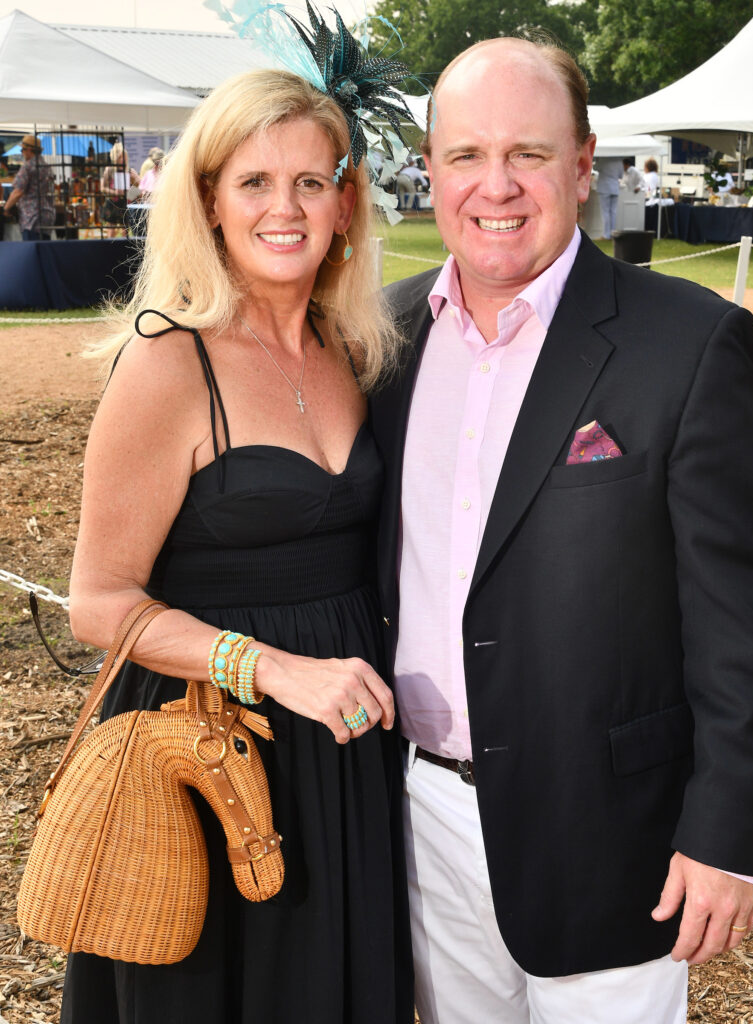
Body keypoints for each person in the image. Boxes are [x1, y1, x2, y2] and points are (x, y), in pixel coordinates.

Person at [370, 36, 753, 1024]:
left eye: (529, 153)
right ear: (429, 169)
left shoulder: (685, 343)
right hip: (417, 823)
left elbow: (748, 619)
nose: (496, 186)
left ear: (582, 160)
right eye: (467, 155)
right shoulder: (380, 342)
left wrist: (729, 833)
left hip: (613, 838)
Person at [61, 64, 412, 1024]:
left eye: (310, 181)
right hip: (212, 751)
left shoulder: (360, 346)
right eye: (254, 182)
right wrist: (275, 670)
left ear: (345, 204)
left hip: (344, 750)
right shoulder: (168, 359)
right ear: (210, 201)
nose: (284, 207)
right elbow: (97, 602)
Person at [3, 135, 55, 240]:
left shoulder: (27, 167)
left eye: (22, 149)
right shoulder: (46, 167)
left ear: (29, 150)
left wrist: (6, 208)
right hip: (47, 215)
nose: (21, 152)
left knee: (32, 252)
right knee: (43, 252)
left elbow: (18, 192)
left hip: (31, 218)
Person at [100, 141, 140, 232]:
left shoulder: (129, 171)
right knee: (111, 230)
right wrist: (114, 192)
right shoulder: (109, 170)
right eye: (119, 157)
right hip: (112, 202)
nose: (122, 159)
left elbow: (138, 189)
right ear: (115, 158)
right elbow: (102, 188)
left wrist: (130, 190)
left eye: (123, 157)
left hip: (125, 203)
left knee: (125, 230)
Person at [594, 155, 622, 238]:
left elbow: (595, 167)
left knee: (605, 212)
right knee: (613, 212)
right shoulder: (619, 161)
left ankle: (606, 235)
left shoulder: (603, 159)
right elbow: (621, 175)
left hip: (604, 188)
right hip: (615, 188)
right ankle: (612, 233)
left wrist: (598, 159)